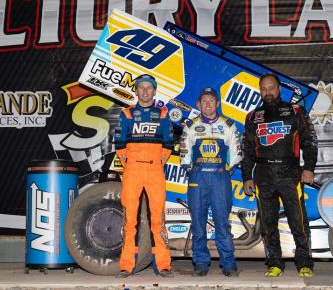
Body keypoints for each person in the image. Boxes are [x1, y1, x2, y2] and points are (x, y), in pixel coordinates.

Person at [241, 73, 318, 278]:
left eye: (271, 88)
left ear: (279, 89)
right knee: (268, 222)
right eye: (264, 89)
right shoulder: (252, 116)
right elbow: (247, 150)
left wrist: (308, 168)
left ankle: (304, 263)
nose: (268, 92)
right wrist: (246, 176)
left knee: (298, 220)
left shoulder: (296, 111)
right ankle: (274, 263)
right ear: (260, 91)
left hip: (290, 173)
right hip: (263, 174)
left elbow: (309, 141)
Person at [114, 74, 174, 278]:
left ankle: (163, 265)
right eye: (141, 87)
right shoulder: (127, 113)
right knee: (129, 220)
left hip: (155, 170)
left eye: (149, 88)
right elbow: (119, 145)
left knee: (159, 219)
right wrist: (131, 165)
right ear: (136, 91)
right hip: (133, 172)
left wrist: (157, 163)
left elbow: (168, 144)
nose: (146, 91)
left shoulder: (163, 114)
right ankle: (126, 265)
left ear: (155, 91)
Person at [180, 87, 241, 277]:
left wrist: (228, 170)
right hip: (198, 179)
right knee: (198, 223)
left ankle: (228, 263)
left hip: (219, 179)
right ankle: (200, 263)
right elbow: (184, 152)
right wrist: (190, 169)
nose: (208, 105)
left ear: (217, 103)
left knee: (222, 222)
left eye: (211, 101)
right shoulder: (190, 125)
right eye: (204, 101)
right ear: (198, 104)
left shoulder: (228, 125)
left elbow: (237, 153)